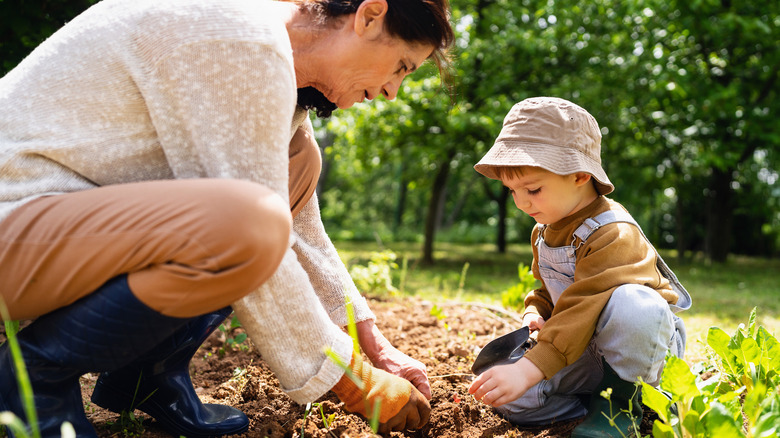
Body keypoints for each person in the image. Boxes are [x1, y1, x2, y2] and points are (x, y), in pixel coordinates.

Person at [0, 0, 454, 436]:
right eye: (401, 66)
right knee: (247, 225)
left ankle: (144, 371)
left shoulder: (271, 63)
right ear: (371, 16)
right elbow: (254, 231)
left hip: (48, 222)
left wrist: (373, 346)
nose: (393, 92)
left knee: (300, 162)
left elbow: (301, 232)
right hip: (12, 222)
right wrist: (355, 381)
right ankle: (33, 378)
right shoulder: (236, 36)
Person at [468, 97, 692, 437]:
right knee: (508, 396)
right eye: (511, 190)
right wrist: (536, 309)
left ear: (580, 175)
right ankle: (593, 403)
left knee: (636, 304)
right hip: (581, 347)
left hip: (641, 349)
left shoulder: (613, 233)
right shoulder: (544, 229)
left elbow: (584, 302)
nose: (521, 202)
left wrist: (531, 369)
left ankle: (624, 405)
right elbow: (551, 288)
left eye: (533, 189)